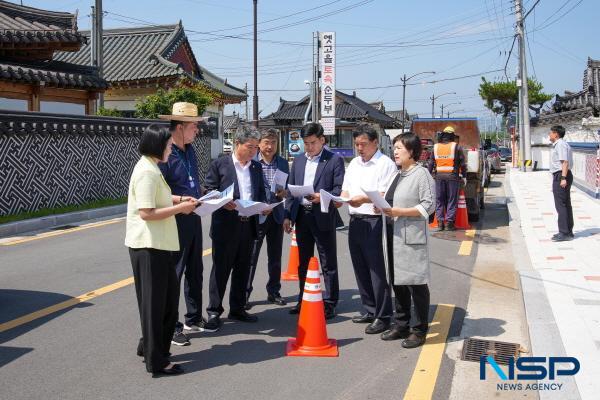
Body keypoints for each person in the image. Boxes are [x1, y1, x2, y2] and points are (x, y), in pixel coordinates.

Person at [125, 124, 198, 377]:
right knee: (155, 305)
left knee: (166, 302)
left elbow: (160, 198)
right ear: (158, 146)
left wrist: (181, 199)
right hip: (148, 246)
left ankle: (150, 347)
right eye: (168, 146)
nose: (170, 149)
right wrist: (181, 209)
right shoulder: (146, 171)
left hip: (161, 245)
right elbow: (146, 212)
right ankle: (156, 361)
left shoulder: (152, 168)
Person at [204, 125, 269, 331]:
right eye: (250, 147)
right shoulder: (220, 164)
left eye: (256, 148)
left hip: (247, 224)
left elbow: (259, 193)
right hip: (225, 225)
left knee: (243, 269)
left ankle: (238, 308)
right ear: (237, 143)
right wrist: (223, 201)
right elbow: (208, 188)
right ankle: (214, 311)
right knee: (221, 270)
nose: (253, 152)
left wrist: (264, 207)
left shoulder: (256, 167)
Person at [157, 102, 211, 348]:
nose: (197, 131)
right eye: (193, 126)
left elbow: (191, 182)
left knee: (194, 269)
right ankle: (172, 326)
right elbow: (157, 194)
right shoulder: (164, 152)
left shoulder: (189, 150)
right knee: (174, 274)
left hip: (194, 216)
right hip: (174, 219)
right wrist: (181, 201)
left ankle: (193, 317)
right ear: (179, 127)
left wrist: (206, 194)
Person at [378, 132, 435, 348]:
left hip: (410, 237)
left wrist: (400, 211)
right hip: (393, 236)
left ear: (412, 151)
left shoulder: (421, 175)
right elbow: (391, 201)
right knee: (398, 282)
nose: (395, 152)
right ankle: (401, 324)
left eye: (399, 148)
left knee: (415, 283)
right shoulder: (398, 174)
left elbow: (429, 206)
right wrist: (383, 207)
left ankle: (419, 329)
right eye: (394, 148)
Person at [284, 122, 345, 319]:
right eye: (306, 143)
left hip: (323, 215)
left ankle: (330, 302)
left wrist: (322, 196)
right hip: (302, 216)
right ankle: (304, 298)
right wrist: (287, 215)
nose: (309, 147)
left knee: (328, 262)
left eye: (312, 143)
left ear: (322, 140)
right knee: (303, 262)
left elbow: (338, 190)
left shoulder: (334, 161)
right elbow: (291, 191)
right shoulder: (299, 160)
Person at [341, 123, 397, 335]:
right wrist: (343, 197)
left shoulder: (385, 164)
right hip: (355, 219)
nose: (360, 148)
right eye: (357, 144)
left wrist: (363, 198)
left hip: (376, 221)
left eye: (363, 144)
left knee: (377, 270)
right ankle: (369, 308)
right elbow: (346, 188)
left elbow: (386, 193)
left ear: (375, 142)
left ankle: (383, 315)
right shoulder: (354, 163)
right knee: (360, 266)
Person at [245, 128, 289, 309]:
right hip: (257, 215)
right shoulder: (251, 161)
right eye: (266, 142)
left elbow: (287, 190)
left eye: (273, 142)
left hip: (276, 214)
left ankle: (274, 291)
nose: (270, 146)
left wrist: (285, 197)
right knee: (251, 257)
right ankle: (245, 293)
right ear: (259, 143)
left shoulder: (283, 163)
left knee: (275, 256)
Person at [427, 126, 465, 231]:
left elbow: (431, 163)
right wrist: (465, 176)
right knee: (451, 200)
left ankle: (440, 223)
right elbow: (462, 163)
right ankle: (449, 224)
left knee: (439, 200)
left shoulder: (436, 147)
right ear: (452, 136)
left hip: (438, 177)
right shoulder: (456, 147)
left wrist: (428, 174)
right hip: (453, 177)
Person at [548, 125, 574, 241]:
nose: (549, 135)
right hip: (562, 175)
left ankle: (564, 232)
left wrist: (563, 178)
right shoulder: (561, 144)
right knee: (565, 204)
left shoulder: (560, 145)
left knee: (561, 205)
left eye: (550, 133)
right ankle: (568, 231)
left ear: (556, 134)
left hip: (561, 175)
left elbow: (565, 162)